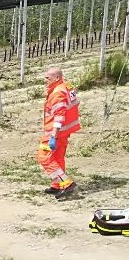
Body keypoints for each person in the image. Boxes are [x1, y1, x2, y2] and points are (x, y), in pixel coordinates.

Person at [38, 66, 80, 200]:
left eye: (47, 77)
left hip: (55, 131)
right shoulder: (66, 86)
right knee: (57, 156)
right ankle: (58, 184)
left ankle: (67, 184)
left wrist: (53, 136)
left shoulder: (57, 93)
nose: (45, 80)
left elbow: (59, 116)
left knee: (44, 157)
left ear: (57, 78)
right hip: (65, 130)